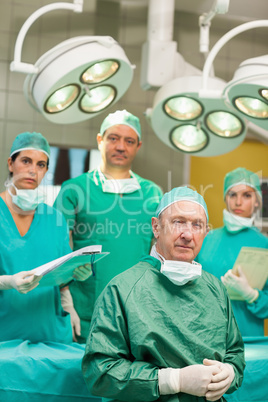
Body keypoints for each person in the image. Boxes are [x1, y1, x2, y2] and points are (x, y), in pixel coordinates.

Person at [82, 187, 245, 402]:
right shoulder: (122, 289)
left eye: (197, 225)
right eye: (178, 222)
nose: (187, 234)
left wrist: (230, 372)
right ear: (156, 227)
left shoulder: (214, 288)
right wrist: (173, 380)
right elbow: (99, 372)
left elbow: (235, 353)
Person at [54, 109, 163, 343]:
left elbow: (163, 253)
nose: (121, 146)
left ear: (138, 146)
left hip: (137, 311)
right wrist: (65, 298)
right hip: (85, 310)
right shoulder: (75, 189)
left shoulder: (152, 193)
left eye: (129, 141)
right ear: (100, 140)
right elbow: (55, 247)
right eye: (113, 138)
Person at [197, 167, 268, 337]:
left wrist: (251, 295)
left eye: (247, 195)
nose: (238, 202)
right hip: (205, 333)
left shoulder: (264, 245)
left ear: (257, 201)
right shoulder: (205, 239)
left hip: (246, 336)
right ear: (225, 198)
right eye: (232, 195)